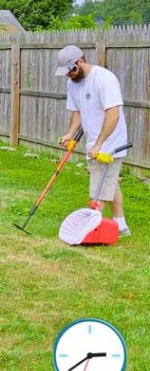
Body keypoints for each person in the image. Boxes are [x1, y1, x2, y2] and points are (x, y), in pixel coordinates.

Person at [56, 44, 131, 236]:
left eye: (71, 70)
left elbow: (113, 114)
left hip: (111, 143)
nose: (69, 75)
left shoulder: (104, 79)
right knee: (109, 183)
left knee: (99, 185)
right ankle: (121, 226)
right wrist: (70, 133)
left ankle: (90, 229)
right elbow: (77, 112)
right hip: (94, 143)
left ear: (80, 61)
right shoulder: (72, 83)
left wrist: (99, 143)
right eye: (66, 72)